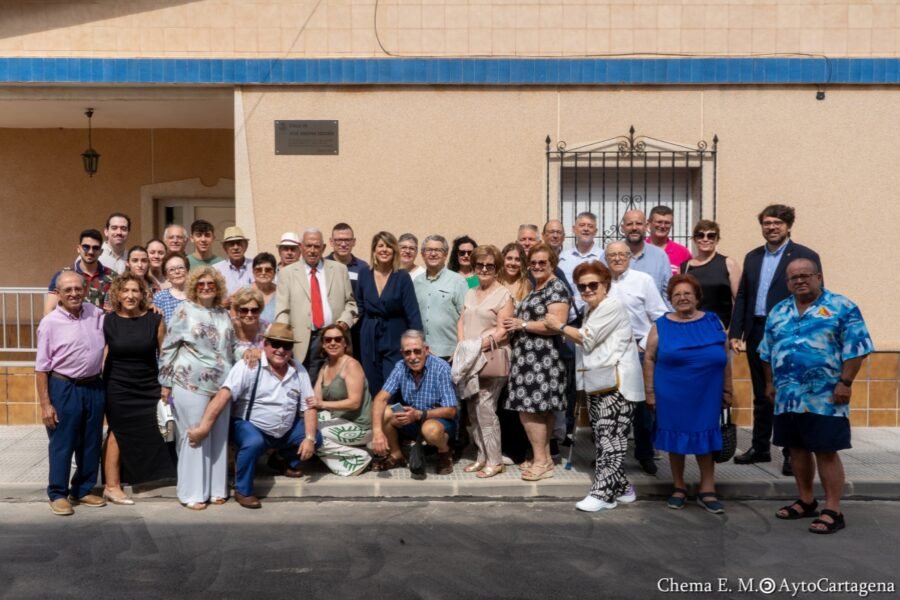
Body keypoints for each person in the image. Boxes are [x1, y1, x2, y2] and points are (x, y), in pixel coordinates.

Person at [760, 259, 873, 534]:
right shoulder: (779, 310)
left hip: (825, 396)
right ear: (787, 283)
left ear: (818, 277)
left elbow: (857, 348)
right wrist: (769, 383)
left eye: (805, 275)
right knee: (796, 449)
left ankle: (833, 509)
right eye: (793, 278)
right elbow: (766, 351)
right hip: (788, 396)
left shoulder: (842, 307)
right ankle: (806, 500)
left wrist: (845, 382)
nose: (799, 281)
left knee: (825, 451)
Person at [186, 323, 322, 509]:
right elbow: (223, 395)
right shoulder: (249, 365)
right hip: (248, 425)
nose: (280, 350)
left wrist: (309, 438)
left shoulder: (298, 370)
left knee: (316, 437)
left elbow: (309, 405)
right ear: (265, 344)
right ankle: (243, 490)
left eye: (287, 346)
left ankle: (282, 460)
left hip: (284, 430)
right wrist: (204, 428)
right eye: (275, 343)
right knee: (253, 442)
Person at [545, 261, 644, 512]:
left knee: (610, 440)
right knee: (604, 438)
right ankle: (622, 489)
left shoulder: (611, 305)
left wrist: (558, 326)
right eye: (582, 286)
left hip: (617, 385)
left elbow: (586, 339)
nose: (587, 290)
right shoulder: (593, 310)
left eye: (593, 284)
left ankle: (603, 494)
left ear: (605, 284)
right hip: (600, 383)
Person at [730, 204, 822, 476]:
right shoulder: (753, 256)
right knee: (762, 393)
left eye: (777, 223)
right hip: (757, 330)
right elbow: (744, 295)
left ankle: (790, 453)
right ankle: (760, 447)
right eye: (767, 223)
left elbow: (816, 294)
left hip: (789, 333)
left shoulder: (805, 256)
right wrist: (736, 332)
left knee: (788, 393)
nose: (771, 227)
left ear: (788, 226)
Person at [644, 274, 732, 514]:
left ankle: (707, 488)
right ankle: (679, 486)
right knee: (675, 438)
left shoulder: (714, 321)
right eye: (677, 295)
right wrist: (650, 392)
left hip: (707, 392)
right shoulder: (661, 325)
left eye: (687, 294)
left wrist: (728, 388)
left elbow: (725, 357)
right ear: (671, 299)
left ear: (697, 297)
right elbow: (650, 357)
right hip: (672, 392)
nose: (682, 298)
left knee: (706, 437)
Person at [158, 266, 238, 510]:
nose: (205, 288)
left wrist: (251, 353)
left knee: (218, 436)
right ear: (194, 287)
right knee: (194, 436)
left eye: (210, 284)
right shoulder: (185, 310)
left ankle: (215, 489)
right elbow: (169, 347)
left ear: (217, 288)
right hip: (190, 382)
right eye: (201, 284)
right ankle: (192, 493)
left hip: (221, 386)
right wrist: (165, 382)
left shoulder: (223, 314)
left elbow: (231, 347)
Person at [36, 271, 108, 516]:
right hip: (64, 387)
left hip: (94, 386)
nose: (74, 293)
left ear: (85, 290)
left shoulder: (95, 314)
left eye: (78, 288)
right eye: (68, 290)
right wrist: (46, 404)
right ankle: (57, 493)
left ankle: (83, 489)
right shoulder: (50, 323)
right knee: (62, 443)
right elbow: (41, 368)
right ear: (59, 294)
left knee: (91, 442)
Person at [101, 272, 173, 505]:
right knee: (118, 432)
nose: (130, 295)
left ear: (143, 294)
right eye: (125, 291)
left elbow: (165, 354)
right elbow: (100, 354)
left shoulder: (155, 319)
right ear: (117, 294)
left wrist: (166, 383)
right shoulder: (107, 321)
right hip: (118, 386)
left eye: (135, 291)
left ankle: (140, 476)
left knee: (149, 429)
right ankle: (112, 486)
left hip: (148, 385)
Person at [502, 242, 569, 481]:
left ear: (552, 263)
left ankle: (540, 460)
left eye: (543, 262)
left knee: (529, 412)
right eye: (533, 263)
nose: (537, 266)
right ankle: (546, 459)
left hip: (542, 360)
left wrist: (522, 324)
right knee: (541, 412)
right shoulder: (537, 286)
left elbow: (556, 325)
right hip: (530, 358)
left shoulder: (556, 288)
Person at [605, 241, 668, 475]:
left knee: (642, 410)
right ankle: (612, 456)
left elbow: (660, 317)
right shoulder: (601, 282)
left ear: (630, 257)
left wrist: (643, 346)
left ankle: (644, 454)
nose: (618, 258)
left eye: (622, 254)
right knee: (611, 409)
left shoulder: (644, 281)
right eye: (613, 255)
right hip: (609, 355)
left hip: (639, 352)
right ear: (606, 258)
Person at [456, 245, 513, 478]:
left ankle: (495, 460)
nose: (484, 269)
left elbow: (502, 332)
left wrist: (474, 347)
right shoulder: (471, 289)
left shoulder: (504, 294)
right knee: (472, 410)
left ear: (497, 268)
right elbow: (462, 319)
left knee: (485, 408)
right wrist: (462, 345)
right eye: (480, 264)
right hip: (469, 358)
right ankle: (481, 456)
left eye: (490, 265)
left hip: (491, 357)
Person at [275, 228, 358, 384]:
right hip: (304, 341)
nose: (312, 251)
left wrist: (344, 322)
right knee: (308, 386)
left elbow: (351, 303)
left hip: (334, 338)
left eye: (316, 246)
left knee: (337, 383)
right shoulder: (287, 273)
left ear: (324, 248)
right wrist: (284, 339)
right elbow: (282, 311)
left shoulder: (340, 270)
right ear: (301, 247)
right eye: (308, 246)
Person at [370, 330, 458, 476]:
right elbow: (380, 398)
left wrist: (420, 414)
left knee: (430, 430)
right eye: (407, 352)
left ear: (426, 350)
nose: (413, 357)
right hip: (412, 416)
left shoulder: (441, 368)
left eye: (417, 351)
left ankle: (445, 452)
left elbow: (451, 410)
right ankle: (397, 454)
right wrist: (377, 433)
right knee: (385, 411)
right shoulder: (400, 366)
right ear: (402, 353)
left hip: (437, 419)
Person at [357, 231, 423, 393]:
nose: (384, 250)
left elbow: (412, 312)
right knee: (372, 383)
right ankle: (377, 417)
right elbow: (359, 305)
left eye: (388, 246)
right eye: (380, 246)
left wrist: (417, 342)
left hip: (394, 334)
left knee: (392, 384)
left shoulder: (402, 277)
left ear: (394, 251)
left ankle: (393, 417)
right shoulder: (364, 274)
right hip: (369, 334)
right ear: (374, 250)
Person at [308, 325, 373, 476]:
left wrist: (322, 404)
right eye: (328, 339)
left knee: (316, 436)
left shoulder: (352, 365)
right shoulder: (325, 366)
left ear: (345, 343)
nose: (333, 343)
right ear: (323, 344)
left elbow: (354, 402)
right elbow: (316, 397)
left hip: (360, 425)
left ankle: (360, 457)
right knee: (304, 426)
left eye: (338, 339)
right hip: (339, 419)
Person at [413, 234, 468, 360]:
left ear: (446, 254)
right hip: (422, 352)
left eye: (438, 250)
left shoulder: (458, 281)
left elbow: (466, 317)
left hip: (449, 353)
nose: (433, 254)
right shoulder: (417, 282)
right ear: (422, 254)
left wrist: (460, 348)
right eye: (429, 250)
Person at [679, 220, 741, 329]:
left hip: (719, 329)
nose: (705, 239)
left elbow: (740, 301)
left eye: (711, 236)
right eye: (700, 235)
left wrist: (734, 331)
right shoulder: (685, 267)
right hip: (690, 328)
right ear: (695, 239)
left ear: (717, 240)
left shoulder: (728, 264)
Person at [45, 229, 115, 316]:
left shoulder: (113, 277)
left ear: (101, 252)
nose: (90, 251)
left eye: (95, 248)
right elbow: (50, 309)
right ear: (78, 249)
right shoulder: (62, 275)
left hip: (102, 328)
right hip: (69, 328)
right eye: (86, 247)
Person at [326, 222, 370, 358]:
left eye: (347, 240)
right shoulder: (323, 267)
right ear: (331, 242)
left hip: (357, 330)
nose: (343, 244)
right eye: (339, 240)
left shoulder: (363, 268)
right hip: (331, 330)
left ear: (354, 242)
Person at [620, 209, 671, 299]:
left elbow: (667, 292)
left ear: (646, 226)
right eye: (629, 224)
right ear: (622, 228)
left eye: (639, 224)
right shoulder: (609, 256)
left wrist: (669, 313)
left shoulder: (660, 256)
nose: (634, 228)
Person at [647, 205, 692, 275]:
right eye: (659, 222)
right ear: (649, 224)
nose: (662, 226)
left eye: (667, 223)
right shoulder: (639, 250)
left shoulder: (683, 253)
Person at [214, 226, 254, 296]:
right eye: (231, 244)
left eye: (239, 243)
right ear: (224, 248)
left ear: (246, 246)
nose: (235, 247)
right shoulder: (216, 270)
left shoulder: (255, 266)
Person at [152, 252, 189, 323]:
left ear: (187, 271)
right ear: (166, 276)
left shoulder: (197, 295)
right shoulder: (160, 298)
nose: (177, 272)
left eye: (181, 267)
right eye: (172, 269)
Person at [232, 286, 268, 353]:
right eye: (244, 310)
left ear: (260, 310)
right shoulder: (229, 327)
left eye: (254, 310)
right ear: (237, 310)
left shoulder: (267, 329)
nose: (249, 315)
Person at [252, 252, 278, 323]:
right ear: (253, 272)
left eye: (268, 270)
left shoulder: (281, 292)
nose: (263, 273)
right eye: (259, 270)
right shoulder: (245, 291)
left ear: (274, 273)